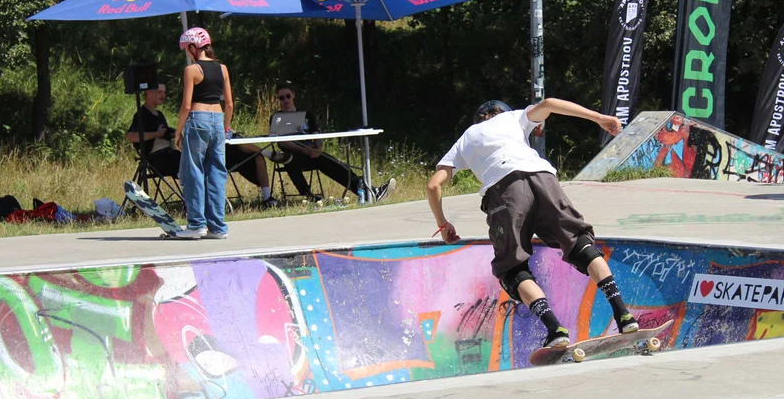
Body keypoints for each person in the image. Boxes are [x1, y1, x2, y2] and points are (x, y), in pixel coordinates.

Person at [426, 98, 639, 349]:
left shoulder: (466, 139)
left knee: (512, 268)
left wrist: (443, 224)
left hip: (504, 192)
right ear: (500, 113)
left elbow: (433, 185)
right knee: (580, 243)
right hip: (543, 178)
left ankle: (555, 329)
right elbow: (549, 102)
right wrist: (600, 118)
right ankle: (623, 314)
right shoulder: (514, 117)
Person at [264, 82, 395, 203]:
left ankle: (369, 191)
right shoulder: (277, 117)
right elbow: (281, 141)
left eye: (288, 96)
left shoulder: (306, 114)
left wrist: (318, 148)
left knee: (334, 164)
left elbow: (317, 134)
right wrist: (304, 150)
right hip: (294, 155)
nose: (286, 100)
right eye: (282, 98)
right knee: (289, 160)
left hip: (312, 153)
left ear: (293, 95)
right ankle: (308, 196)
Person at [174, 27, 231, 239]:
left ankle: (196, 224)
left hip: (198, 119)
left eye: (187, 49)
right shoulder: (223, 69)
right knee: (217, 172)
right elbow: (230, 104)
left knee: (194, 171)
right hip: (218, 120)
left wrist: (178, 131)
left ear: (192, 47)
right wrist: (225, 127)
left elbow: (186, 105)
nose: (187, 54)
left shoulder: (192, 70)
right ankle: (217, 227)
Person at [126, 81, 180, 179]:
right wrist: (156, 134)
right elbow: (131, 136)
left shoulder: (160, 115)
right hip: (157, 159)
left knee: (195, 159)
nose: (163, 95)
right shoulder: (142, 114)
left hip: (170, 155)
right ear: (149, 93)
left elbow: (165, 132)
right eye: (159, 92)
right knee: (191, 163)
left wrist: (175, 134)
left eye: (164, 92)